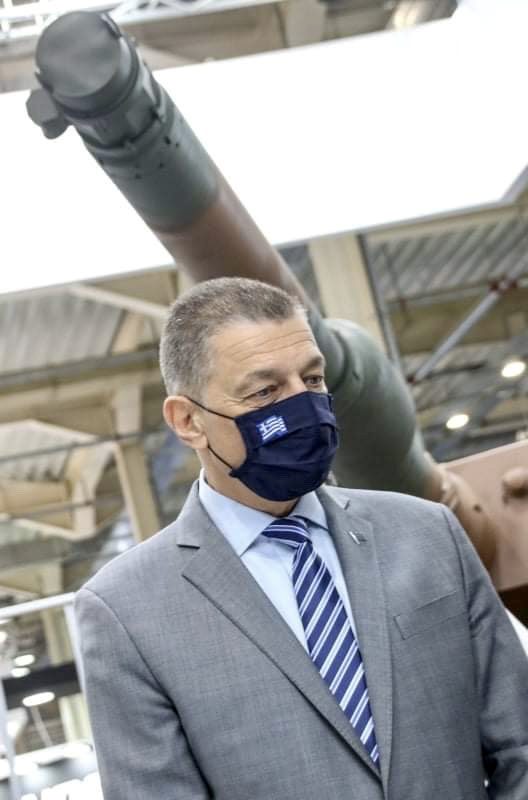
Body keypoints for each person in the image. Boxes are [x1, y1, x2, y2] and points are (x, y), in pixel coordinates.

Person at [75, 278, 528, 800]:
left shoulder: (428, 535)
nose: (303, 407)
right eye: (264, 392)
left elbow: (519, 744)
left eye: (311, 380)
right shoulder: (126, 613)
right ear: (188, 420)